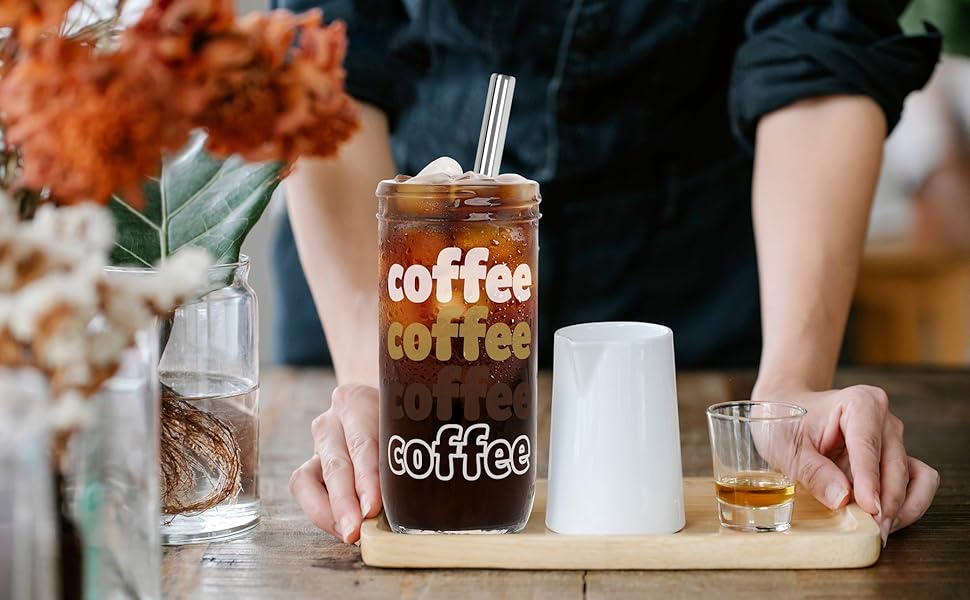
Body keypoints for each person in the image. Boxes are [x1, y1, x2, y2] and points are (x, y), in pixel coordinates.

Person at [276, 0, 943, 546]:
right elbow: (326, 69)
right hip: (413, 270)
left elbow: (817, 36)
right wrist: (388, 381)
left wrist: (790, 387)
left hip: (702, 268)